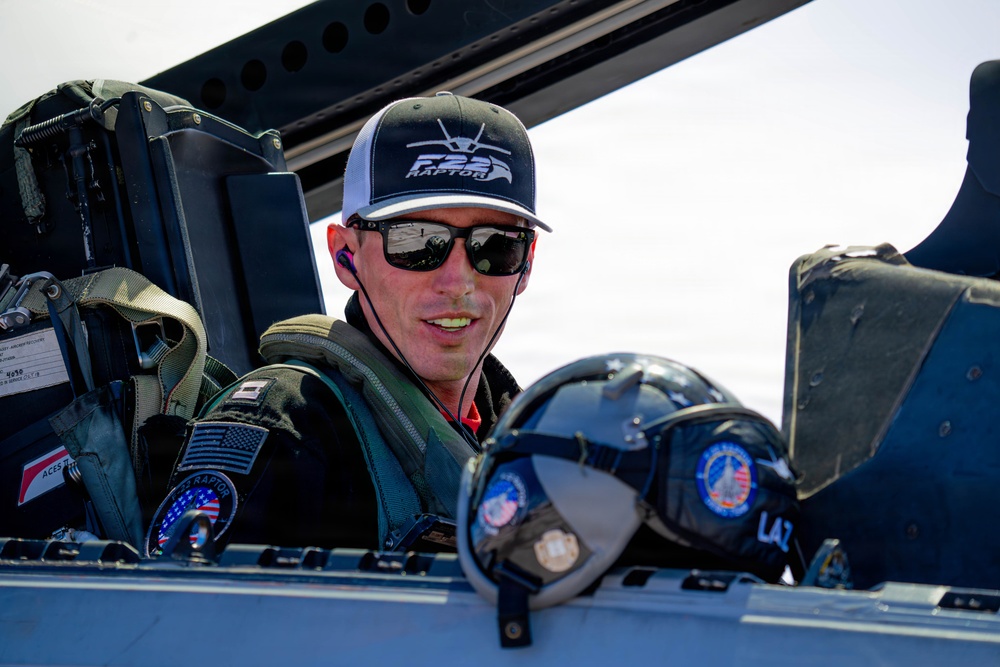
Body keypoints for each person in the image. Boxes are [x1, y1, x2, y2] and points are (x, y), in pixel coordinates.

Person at [143, 92, 550, 557]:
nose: (458, 282)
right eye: (417, 241)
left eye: (496, 246)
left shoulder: (533, 448)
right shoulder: (288, 428)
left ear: (526, 264)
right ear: (346, 256)